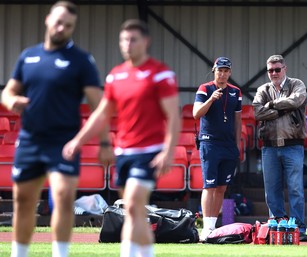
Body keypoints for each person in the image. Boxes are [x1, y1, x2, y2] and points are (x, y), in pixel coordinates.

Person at [0, 2, 113, 257]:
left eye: (68, 25)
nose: (62, 28)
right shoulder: (28, 56)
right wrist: (11, 101)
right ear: (48, 19)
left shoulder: (81, 61)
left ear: (73, 28)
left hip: (64, 142)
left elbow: (100, 106)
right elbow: (8, 91)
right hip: (29, 141)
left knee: (62, 197)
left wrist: (105, 143)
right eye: (59, 21)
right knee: (24, 201)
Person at [62, 19, 180, 257]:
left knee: (135, 204)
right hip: (123, 153)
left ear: (146, 42)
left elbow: (174, 115)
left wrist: (168, 151)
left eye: (133, 39)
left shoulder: (160, 73)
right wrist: (78, 140)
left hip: (149, 152)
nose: (127, 44)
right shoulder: (116, 76)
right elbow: (102, 114)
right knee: (134, 212)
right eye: (124, 40)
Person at [252, 54, 307, 242]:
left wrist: (271, 105)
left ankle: (299, 229)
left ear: (285, 68)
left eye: (277, 69)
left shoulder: (297, 84)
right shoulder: (263, 89)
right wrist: (282, 109)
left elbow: (296, 101)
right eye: (270, 70)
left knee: (295, 189)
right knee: (272, 190)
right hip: (269, 147)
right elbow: (257, 112)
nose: (274, 73)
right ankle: (277, 227)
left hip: (293, 145)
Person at [193, 57, 242, 241]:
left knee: (222, 187)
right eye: (219, 70)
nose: (222, 74)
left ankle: (213, 227)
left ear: (230, 72)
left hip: (228, 145)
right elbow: (196, 114)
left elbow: (238, 120)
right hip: (210, 143)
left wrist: (237, 145)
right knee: (210, 186)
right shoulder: (205, 89)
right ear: (214, 71)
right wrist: (211, 100)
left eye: (226, 71)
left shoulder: (236, 92)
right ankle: (206, 228)